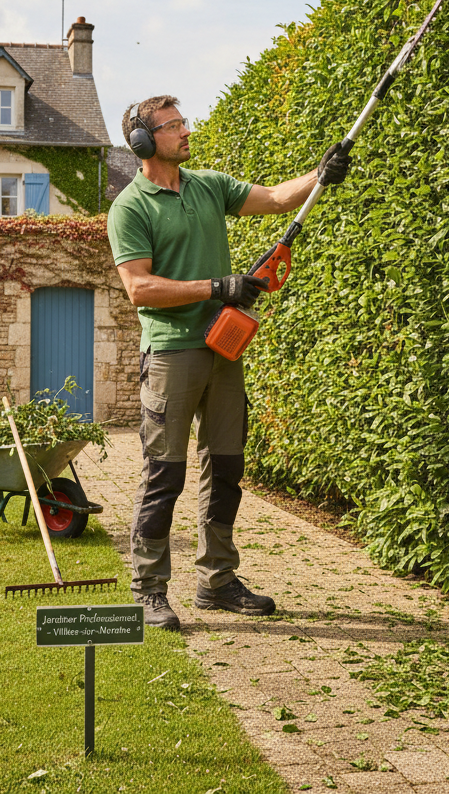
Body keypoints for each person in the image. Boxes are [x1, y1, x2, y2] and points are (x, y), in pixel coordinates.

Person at [106, 95, 351, 631]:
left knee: (226, 468)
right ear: (145, 142)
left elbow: (278, 198)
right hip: (172, 352)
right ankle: (148, 590)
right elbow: (139, 288)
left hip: (223, 348)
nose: (186, 131)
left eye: (183, 122)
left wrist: (320, 173)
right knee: (163, 475)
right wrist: (216, 286)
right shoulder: (130, 207)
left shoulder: (208, 185)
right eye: (173, 126)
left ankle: (216, 580)